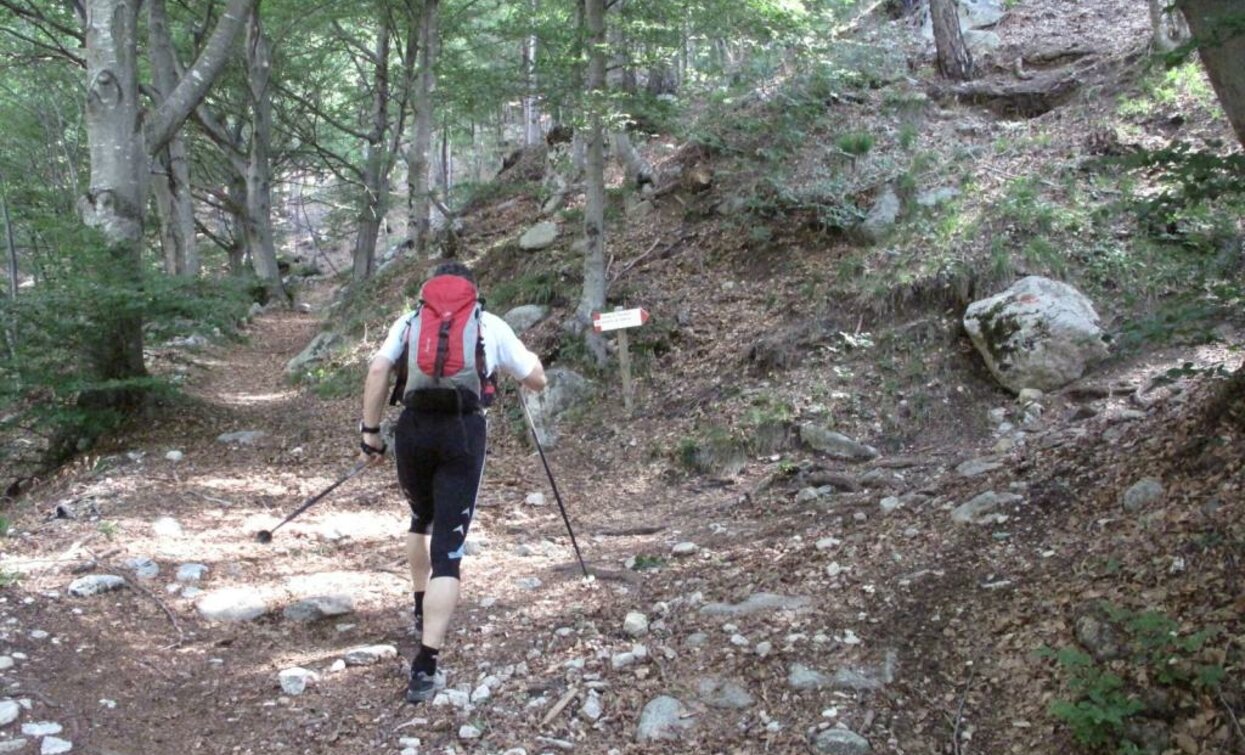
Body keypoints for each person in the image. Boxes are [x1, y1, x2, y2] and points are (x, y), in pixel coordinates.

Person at [358, 261, 547, 703]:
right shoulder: (489, 324)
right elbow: (535, 379)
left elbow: (376, 372)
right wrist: (529, 364)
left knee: (420, 516)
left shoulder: (409, 321)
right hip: (463, 433)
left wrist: (370, 434)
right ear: (473, 292)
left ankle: (421, 607)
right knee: (449, 548)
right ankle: (425, 666)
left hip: (413, 430)